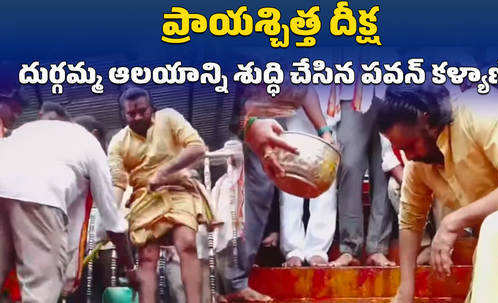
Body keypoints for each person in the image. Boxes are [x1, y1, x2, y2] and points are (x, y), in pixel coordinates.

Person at [375, 83, 498, 303]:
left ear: (428, 121)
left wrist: (453, 221)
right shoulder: (418, 163)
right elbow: (410, 222)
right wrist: (405, 290)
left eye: (411, 145)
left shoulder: (480, 109)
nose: (409, 156)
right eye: (402, 150)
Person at [0, 119, 138, 303]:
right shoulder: (89, 143)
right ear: (96, 135)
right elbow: (112, 222)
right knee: (40, 290)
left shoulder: (33, 130)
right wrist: (131, 268)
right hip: (40, 198)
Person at [222, 84, 330, 301]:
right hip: (219, 128)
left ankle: (236, 282)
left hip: (262, 131)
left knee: (260, 192)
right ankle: (221, 282)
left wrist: (325, 132)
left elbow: (305, 91)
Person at [108, 87, 212, 303]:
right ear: (124, 114)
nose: (136, 117)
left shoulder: (170, 117)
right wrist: (111, 215)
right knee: (147, 257)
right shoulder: (118, 141)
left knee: (187, 243)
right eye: (130, 114)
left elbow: (197, 148)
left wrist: (164, 173)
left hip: (178, 189)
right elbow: (118, 182)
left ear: (151, 108)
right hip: (144, 198)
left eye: (142, 111)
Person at [330, 81, 395, 267]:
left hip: (390, 86)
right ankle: (350, 247)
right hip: (352, 88)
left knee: (384, 167)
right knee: (348, 164)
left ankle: (377, 247)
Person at [279, 85, 337, 267]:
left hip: (330, 107)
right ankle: (293, 249)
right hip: (292, 110)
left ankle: (318, 249)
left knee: (326, 183)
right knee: (289, 178)